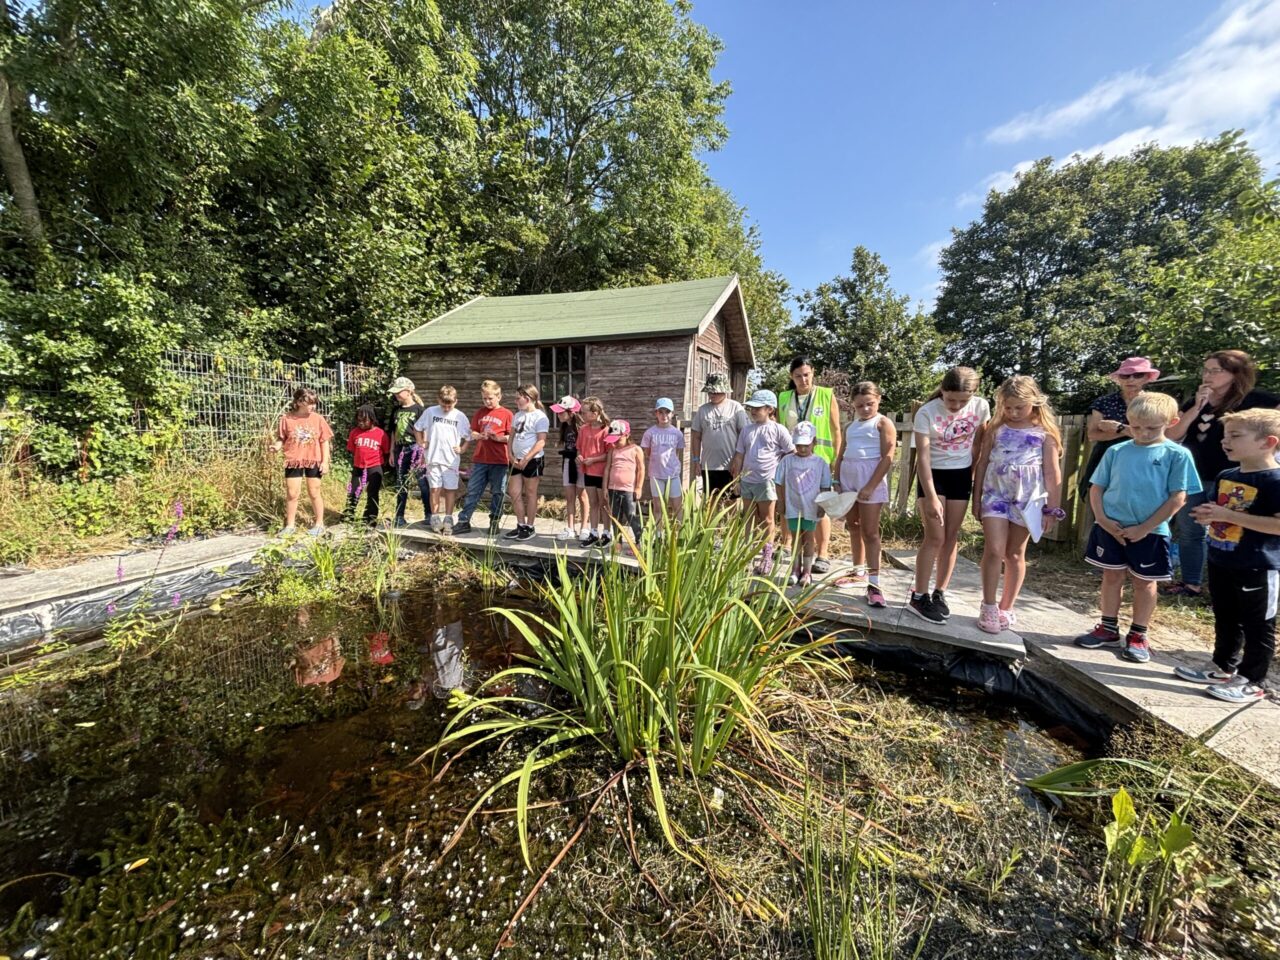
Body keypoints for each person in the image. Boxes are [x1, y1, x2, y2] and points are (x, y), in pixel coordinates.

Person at [1074, 392, 1201, 663]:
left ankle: (1138, 634)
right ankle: (1108, 627)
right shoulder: (1116, 451)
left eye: (1152, 428)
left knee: (1145, 583)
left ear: (1171, 422)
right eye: (1137, 426)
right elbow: (1097, 488)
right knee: (1111, 577)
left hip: (1150, 533)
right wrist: (1104, 521)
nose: (1143, 433)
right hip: (1110, 528)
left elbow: (1178, 497)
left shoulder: (1177, 454)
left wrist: (1145, 527)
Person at [1174, 409, 1280, 702]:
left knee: (1258, 624)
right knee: (1226, 616)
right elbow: (1217, 511)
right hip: (1222, 558)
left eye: (1235, 436)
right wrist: (1207, 515)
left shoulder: (1275, 480)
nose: (1225, 441)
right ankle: (1222, 666)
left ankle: (1253, 679)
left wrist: (1227, 515)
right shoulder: (1226, 475)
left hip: (1258, 565)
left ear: (1268, 441)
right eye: (1225, 435)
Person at [1165, 350, 1280, 599]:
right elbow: (1172, 436)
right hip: (1194, 474)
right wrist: (1196, 407)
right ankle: (1192, 583)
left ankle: (1232, 583)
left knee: (1231, 528)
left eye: (1216, 370)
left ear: (1235, 374)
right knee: (1190, 528)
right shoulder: (1196, 401)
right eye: (1206, 370)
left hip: (1237, 478)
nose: (1208, 375)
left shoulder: (1256, 401)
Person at [972, 376, 1064, 634]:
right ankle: (988, 605)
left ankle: (1006, 607)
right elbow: (981, 464)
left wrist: (1051, 509)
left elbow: (1052, 474)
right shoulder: (995, 429)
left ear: (1034, 404)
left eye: (1018, 408)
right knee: (994, 549)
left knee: (1014, 554)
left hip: (1026, 501)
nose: (1012, 413)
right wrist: (976, 498)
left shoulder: (1044, 434)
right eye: (1008, 407)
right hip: (995, 496)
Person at [909, 366, 990, 625]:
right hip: (933, 474)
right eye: (951, 399)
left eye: (962, 401)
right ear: (942, 391)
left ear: (973, 395)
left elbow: (980, 442)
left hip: (961, 474)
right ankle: (918, 596)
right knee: (935, 536)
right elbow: (922, 456)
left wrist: (974, 473)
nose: (955, 406)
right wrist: (931, 495)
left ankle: (939, 592)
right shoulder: (926, 412)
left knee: (951, 537)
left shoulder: (981, 407)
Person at [778, 357, 842, 572]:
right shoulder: (784, 397)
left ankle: (822, 554)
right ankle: (787, 544)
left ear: (813, 373)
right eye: (798, 376)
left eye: (806, 374)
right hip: (793, 461)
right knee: (791, 501)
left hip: (819, 461)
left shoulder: (825, 395)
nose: (803, 379)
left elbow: (836, 430)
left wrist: (835, 458)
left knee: (819, 505)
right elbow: (781, 429)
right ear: (791, 377)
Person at [838, 381, 896, 608]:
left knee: (870, 532)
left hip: (870, 478)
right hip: (848, 478)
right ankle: (858, 570)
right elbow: (841, 453)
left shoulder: (883, 423)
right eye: (860, 405)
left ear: (878, 400)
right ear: (853, 404)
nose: (865, 409)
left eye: (869, 404)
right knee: (853, 525)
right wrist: (837, 480)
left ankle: (874, 583)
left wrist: (871, 485)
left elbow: (888, 456)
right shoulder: (850, 427)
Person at [730, 389, 796, 575]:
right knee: (748, 517)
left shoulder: (778, 429)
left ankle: (766, 556)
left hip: (767, 480)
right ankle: (746, 554)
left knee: (767, 518)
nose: (753, 411)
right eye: (752, 408)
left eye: (758, 408)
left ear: (769, 409)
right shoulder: (746, 430)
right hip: (747, 480)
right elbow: (740, 454)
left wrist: (781, 474)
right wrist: (736, 478)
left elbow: (790, 452)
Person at [1078, 357, 1162, 501]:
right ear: (1118, 378)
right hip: (1107, 459)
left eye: (1137, 375)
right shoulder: (1103, 402)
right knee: (1099, 502)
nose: (1131, 379)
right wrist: (1131, 432)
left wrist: (1119, 428)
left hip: (1142, 461)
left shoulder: (1156, 403)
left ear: (1147, 378)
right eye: (1125, 375)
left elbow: (1156, 436)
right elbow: (1093, 434)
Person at [453, 380, 513, 536]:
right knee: (473, 491)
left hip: (499, 460)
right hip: (480, 459)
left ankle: (494, 521)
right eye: (484, 398)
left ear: (499, 396)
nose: (487, 401)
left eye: (490, 398)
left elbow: (512, 437)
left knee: (498, 492)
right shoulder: (480, 413)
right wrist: (477, 435)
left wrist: (499, 438)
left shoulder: (507, 414)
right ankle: (464, 521)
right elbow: (472, 432)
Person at [776, 422, 832, 586]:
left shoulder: (820, 462)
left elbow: (824, 485)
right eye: (799, 445)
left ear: (814, 442)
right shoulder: (787, 461)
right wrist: (781, 502)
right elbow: (778, 482)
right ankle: (795, 569)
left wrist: (822, 505)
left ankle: (807, 571)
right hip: (793, 506)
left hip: (811, 507)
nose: (802, 449)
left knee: (808, 538)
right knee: (795, 538)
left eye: (806, 445)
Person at [274, 386, 333, 536]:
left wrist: (325, 462)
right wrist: (276, 446)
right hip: (294, 460)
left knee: (314, 492)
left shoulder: (318, 419)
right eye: (310, 403)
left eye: (314, 403)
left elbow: (324, 440)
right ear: (299, 402)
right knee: (292, 493)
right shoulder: (286, 419)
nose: (313, 406)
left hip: (314, 460)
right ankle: (290, 526)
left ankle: (319, 524)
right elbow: (282, 438)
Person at [412, 385, 470, 534]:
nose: (446, 408)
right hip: (433, 458)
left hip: (451, 460)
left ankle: (449, 517)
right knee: (435, 489)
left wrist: (462, 449)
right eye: (443, 405)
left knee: (450, 489)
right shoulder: (430, 412)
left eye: (449, 405)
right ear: (438, 400)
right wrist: (421, 443)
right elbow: (417, 428)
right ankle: (435, 517)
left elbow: (468, 436)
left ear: (455, 401)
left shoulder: (459, 416)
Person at [691, 372, 747, 503]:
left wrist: (738, 461)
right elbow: (696, 436)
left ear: (725, 390)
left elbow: (744, 435)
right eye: (710, 392)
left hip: (730, 465)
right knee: (712, 502)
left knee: (731, 501)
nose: (712, 395)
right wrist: (696, 460)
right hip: (708, 465)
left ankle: (730, 524)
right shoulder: (703, 410)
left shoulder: (736, 408)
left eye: (715, 392)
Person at [505, 384, 549, 542]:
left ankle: (530, 526)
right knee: (514, 493)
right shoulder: (518, 415)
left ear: (528, 398)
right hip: (515, 459)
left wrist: (526, 458)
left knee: (530, 493)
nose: (516, 401)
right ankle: (520, 524)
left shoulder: (540, 417)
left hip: (532, 460)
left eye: (518, 398)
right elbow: (511, 437)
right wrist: (509, 454)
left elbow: (541, 442)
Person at [386, 376, 430, 528]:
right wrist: (391, 452)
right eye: (395, 392)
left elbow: (424, 431)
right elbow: (392, 432)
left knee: (423, 482)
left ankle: (429, 514)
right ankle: (399, 517)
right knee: (400, 483)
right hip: (400, 449)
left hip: (415, 448)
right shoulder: (396, 410)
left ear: (409, 391)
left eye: (399, 391)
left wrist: (424, 452)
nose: (396, 394)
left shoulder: (419, 410)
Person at [642, 397, 685, 530]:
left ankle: (678, 536)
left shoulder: (677, 433)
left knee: (677, 507)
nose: (664, 415)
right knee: (658, 507)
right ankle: (658, 536)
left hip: (672, 475)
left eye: (667, 412)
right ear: (656, 413)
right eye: (661, 412)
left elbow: (677, 452)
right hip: (656, 474)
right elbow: (647, 452)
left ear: (672, 414)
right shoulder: (650, 433)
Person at [344, 404, 389, 527]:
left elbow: (386, 452)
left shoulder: (381, 434)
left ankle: (370, 518)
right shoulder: (354, 433)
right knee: (353, 491)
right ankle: (349, 515)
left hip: (375, 467)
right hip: (358, 467)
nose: (361, 423)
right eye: (358, 420)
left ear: (372, 419)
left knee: (372, 493)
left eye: (364, 420)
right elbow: (352, 450)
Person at [550, 395, 587, 541]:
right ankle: (570, 528)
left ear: (571, 412)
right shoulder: (565, 427)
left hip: (580, 463)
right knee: (569, 495)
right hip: (568, 461)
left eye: (561, 412)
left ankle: (584, 527)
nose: (558, 414)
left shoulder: (582, 428)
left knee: (582, 496)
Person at [603, 419, 644, 549]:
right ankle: (618, 541)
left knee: (631, 515)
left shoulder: (636, 449)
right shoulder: (612, 451)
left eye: (618, 439)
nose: (615, 442)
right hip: (613, 488)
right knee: (615, 516)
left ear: (626, 435)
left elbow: (641, 469)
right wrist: (605, 487)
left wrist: (638, 487)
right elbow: (607, 468)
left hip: (628, 489)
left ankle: (639, 540)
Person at [576, 397, 611, 546]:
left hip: (602, 473)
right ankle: (594, 532)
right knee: (593, 502)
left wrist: (594, 460)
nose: (582, 415)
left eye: (584, 413)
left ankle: (607, 533)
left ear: (595, 413)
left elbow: (609, 453)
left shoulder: (606, 430)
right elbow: (579, 447)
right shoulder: (583, 429)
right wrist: (579, 456)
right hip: (588, 471)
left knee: (604, 503)